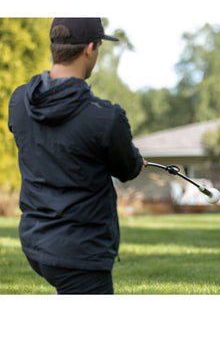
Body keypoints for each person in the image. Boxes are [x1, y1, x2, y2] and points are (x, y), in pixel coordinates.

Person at [8, 18, 144, 294]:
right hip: (80, 255)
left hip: (36, 244)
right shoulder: (105, 117)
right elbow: (128, 169)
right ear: (90, 49)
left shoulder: (19, 101)